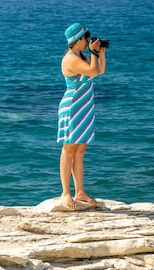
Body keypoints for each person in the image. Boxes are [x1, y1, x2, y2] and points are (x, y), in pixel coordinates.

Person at [57, 23, 107, 210]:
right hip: (72, 107)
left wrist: (100, 52)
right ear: (78, 40)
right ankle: (65, 193)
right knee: (68, 150)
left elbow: (99, 71)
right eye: (86, 38)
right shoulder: (70, 59)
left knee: (80, 151)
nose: (88, 41)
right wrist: (94, 54)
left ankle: (80, 192)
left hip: (84, 107)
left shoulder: (81, 56)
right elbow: (93, 71)